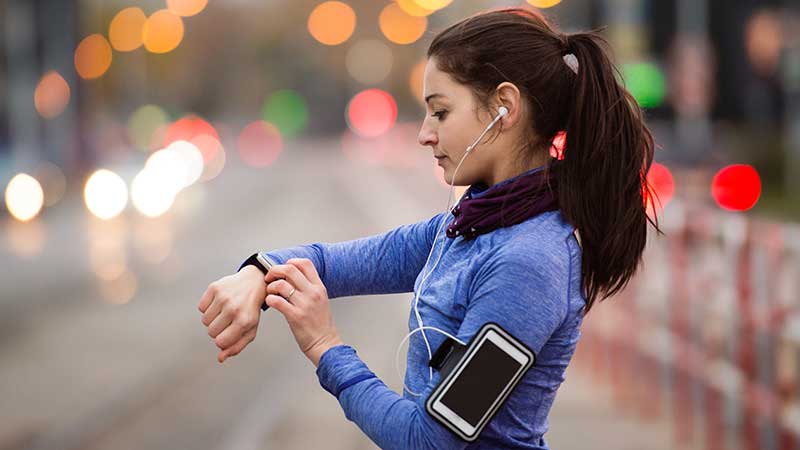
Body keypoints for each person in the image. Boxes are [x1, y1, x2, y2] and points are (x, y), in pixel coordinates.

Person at [197, 6, 663, 449]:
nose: (424, 133)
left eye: (440, 112)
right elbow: (328, 263)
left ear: (504, 107)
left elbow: (431, 441)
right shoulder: (462, 230)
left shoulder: (530, 263)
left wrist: (325, 346)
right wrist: (255, 274)